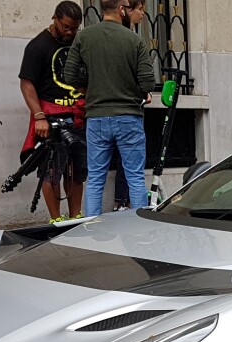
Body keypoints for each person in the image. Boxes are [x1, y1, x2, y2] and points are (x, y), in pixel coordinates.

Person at [64, 0, 158, 217]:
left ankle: (91, 227)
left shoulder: (84, 36)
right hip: (128, 116)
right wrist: (133, 89)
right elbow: (147, 84)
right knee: (135, 177)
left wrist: (89, 88)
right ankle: (138, 229)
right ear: (121, 9)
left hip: (96, 117)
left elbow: (69, 75)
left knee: (96, 178)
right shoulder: (134, 40)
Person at [18, 1, 86, 221]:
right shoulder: (38, 46)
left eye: (74, 28)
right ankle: (56, 218)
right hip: (51, 116)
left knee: (76, 172)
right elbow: (27, 83)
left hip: (77, 115)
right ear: (55, 18)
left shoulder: (79, 42)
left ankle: (75, 217)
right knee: (51, 172)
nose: (70, 32)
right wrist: (39, 116)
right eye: (66, 27)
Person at [112, 0, 148, 211]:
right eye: (140, 10)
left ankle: (122, 201)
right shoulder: (129, 39)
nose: (143, 14)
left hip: (123, 104)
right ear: (126, 10)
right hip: (126, 107)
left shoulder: (133, 37)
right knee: (132, 163)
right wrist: (143, 90)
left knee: (126, 160)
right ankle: (125, 204)